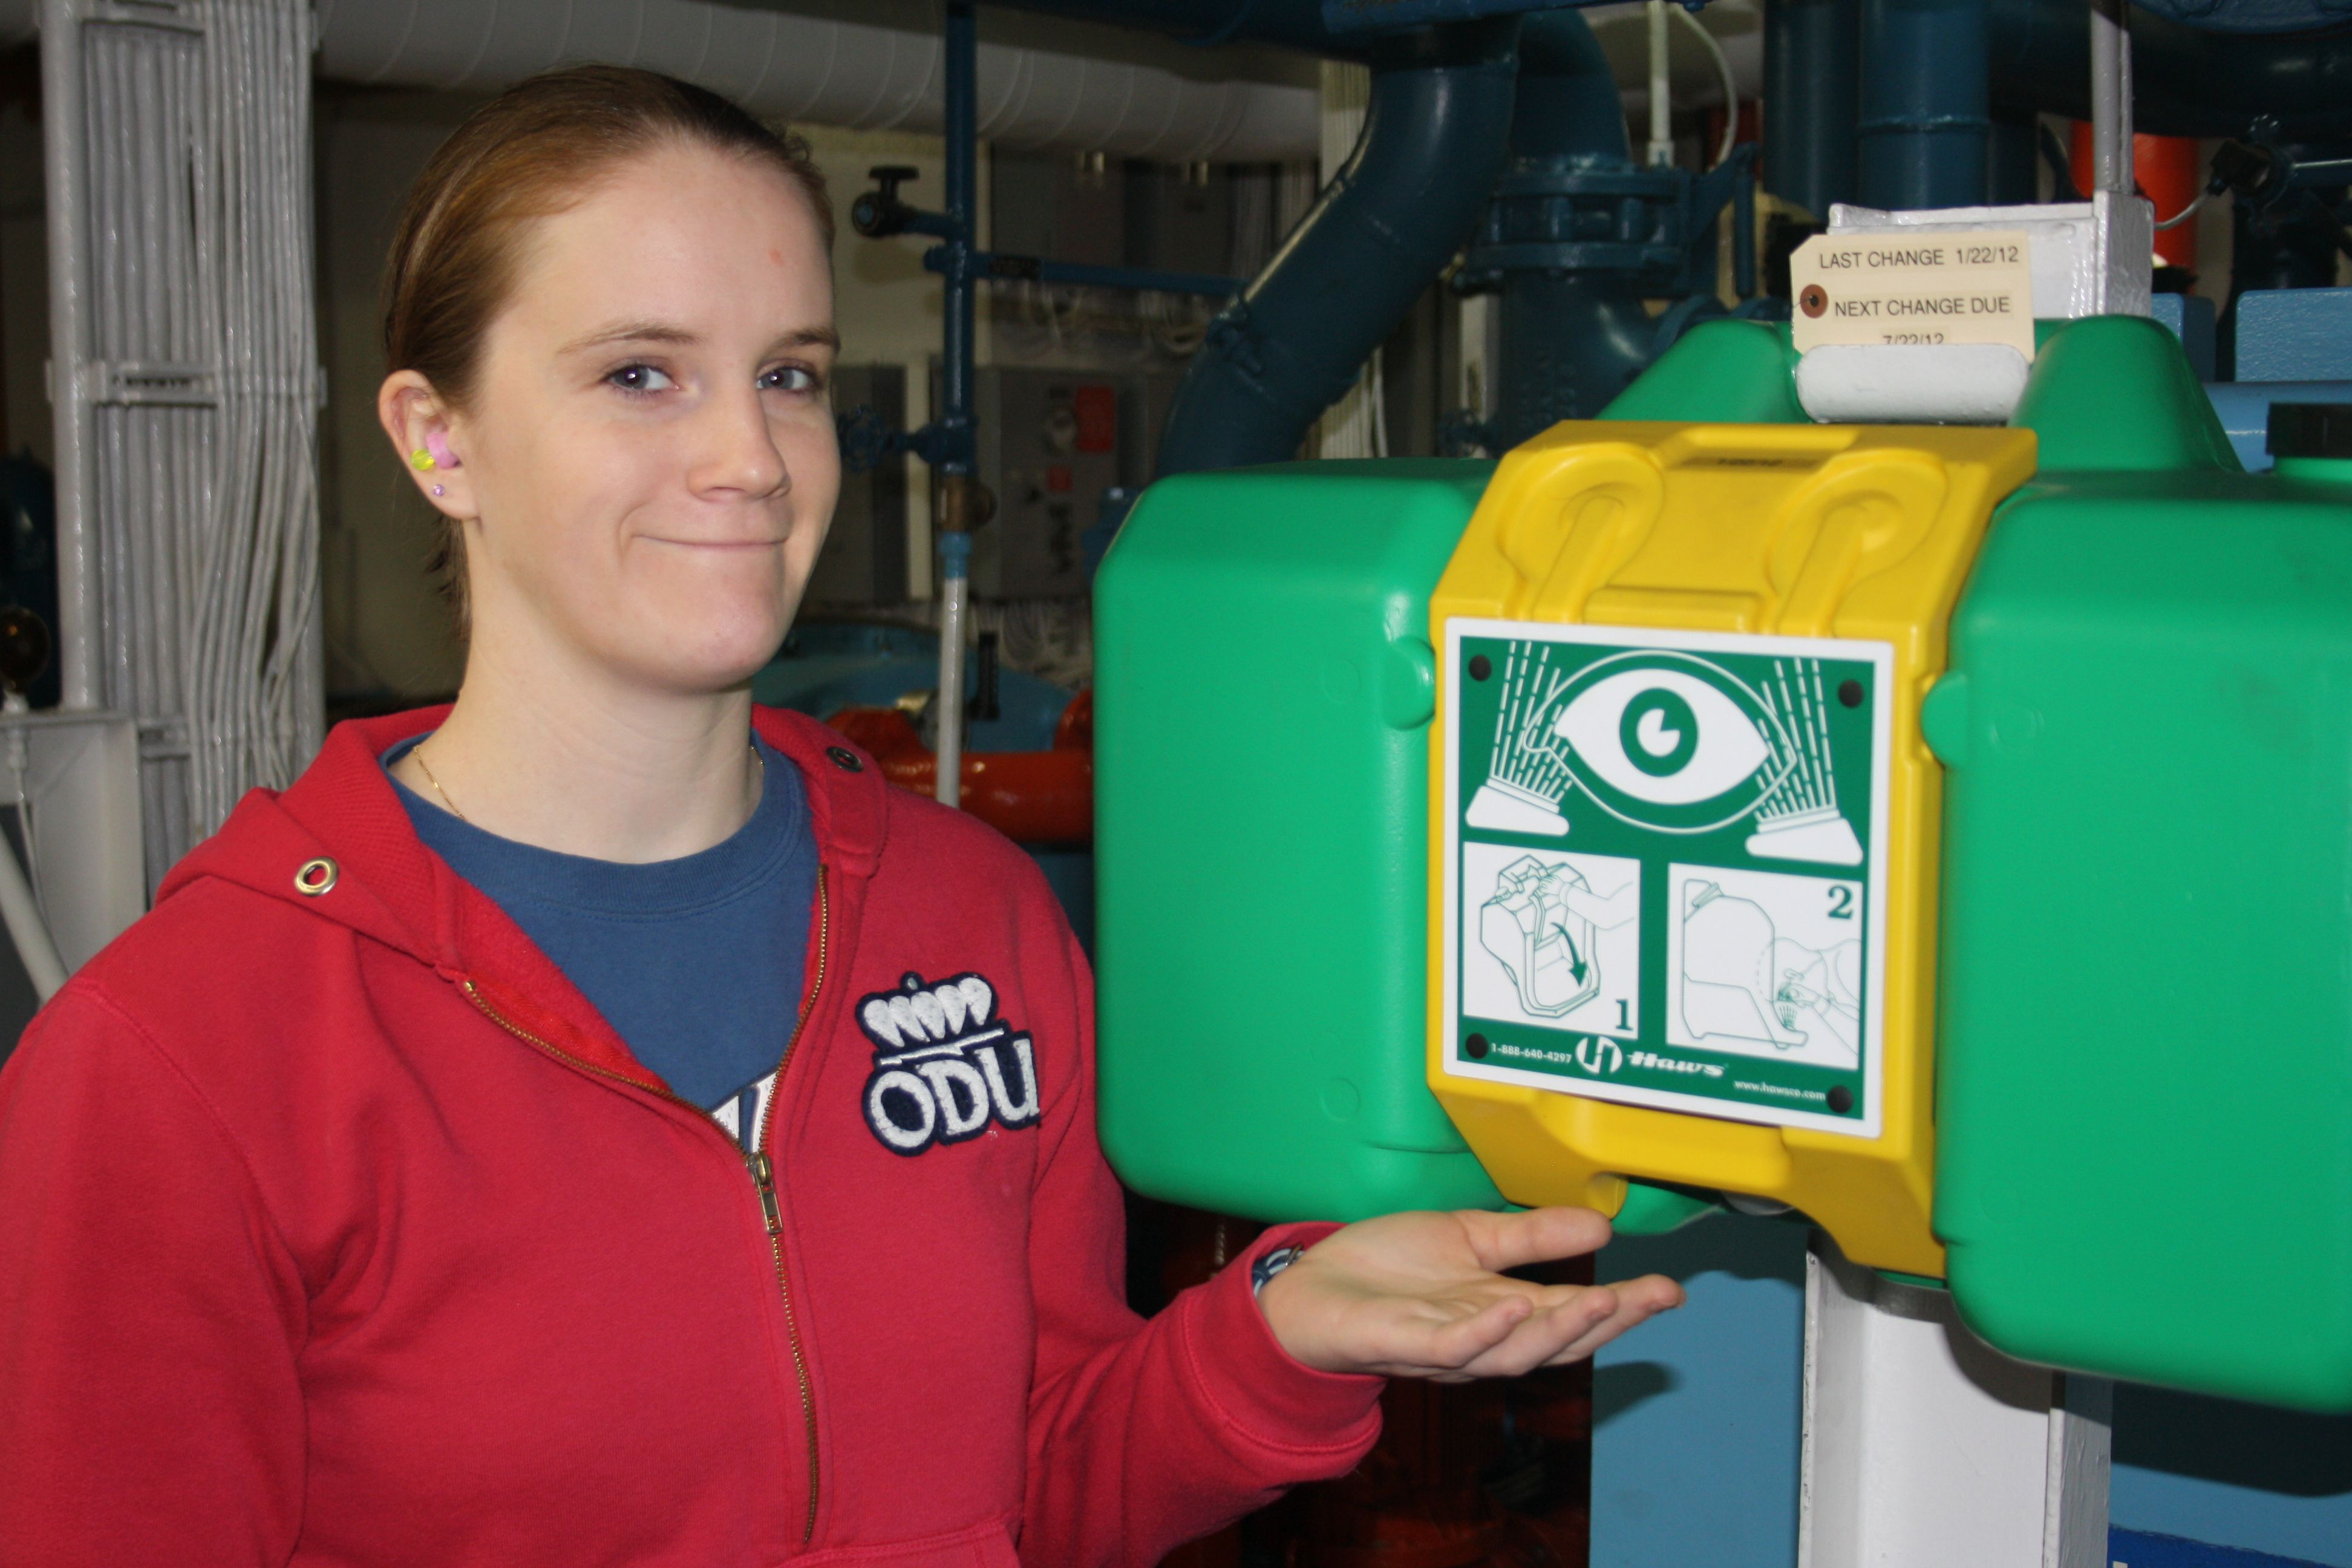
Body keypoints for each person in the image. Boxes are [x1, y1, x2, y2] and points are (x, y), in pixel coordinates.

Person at [0, 67, 1681, 1567]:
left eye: (789, 375)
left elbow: (1035, 1493)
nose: (751, 456)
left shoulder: (972, 918)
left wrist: (1270, 1343)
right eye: (642, 374)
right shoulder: (186, 1057)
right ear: (438, 441)